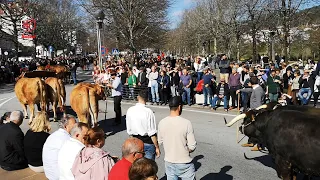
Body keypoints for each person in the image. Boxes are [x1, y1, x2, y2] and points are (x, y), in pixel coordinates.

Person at [158, 96, 197, 180]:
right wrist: (187, 149)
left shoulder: (162, 122)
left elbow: (160, 141)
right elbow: (192, 146)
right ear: (179, 107)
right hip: (184, 162)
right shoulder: (186, 123)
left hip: (169, 161)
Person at [126, 90, 161, 160]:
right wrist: (157, 147)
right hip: (147, 141)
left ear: (138, 97)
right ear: (147, 99)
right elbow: (152, 132)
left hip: (135, 141)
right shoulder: (148, 112)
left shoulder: (130, 110)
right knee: (148, 168)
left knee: (137, 167)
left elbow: (129, 130)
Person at [43, 115, 77, 180]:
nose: (76, 127)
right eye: (74, 125)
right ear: (65, 127)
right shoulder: (67, 139)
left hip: (49, 173)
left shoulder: (54, 135)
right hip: (58, 176)